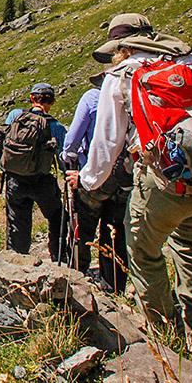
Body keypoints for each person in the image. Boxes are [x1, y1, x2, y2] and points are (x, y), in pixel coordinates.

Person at [78, 13, 192, 354]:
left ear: (120, 47)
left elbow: (108, 141)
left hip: (160, 180)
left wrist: (88, 181)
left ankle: (166, 334)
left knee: (143, 251)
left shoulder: (121, 75)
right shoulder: (189, 62)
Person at [61, 74, 133, 294]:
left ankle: (75, 283)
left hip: (92, 175)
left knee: (82, 230)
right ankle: (113, 288)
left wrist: (72, 165)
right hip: (124, 177)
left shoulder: (92, 98)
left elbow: (71, 142)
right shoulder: (132, 99)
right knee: (115, 231)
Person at [0, 83, 67, 260]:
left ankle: (16, 261)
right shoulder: (55, 126)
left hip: (15, 181)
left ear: (32, 98)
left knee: (17, 223)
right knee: (57, 218)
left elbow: (1, 144)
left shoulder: (15, 116)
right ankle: (59, 260)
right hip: (42, 181)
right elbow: (63, 157)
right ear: (53, 102)